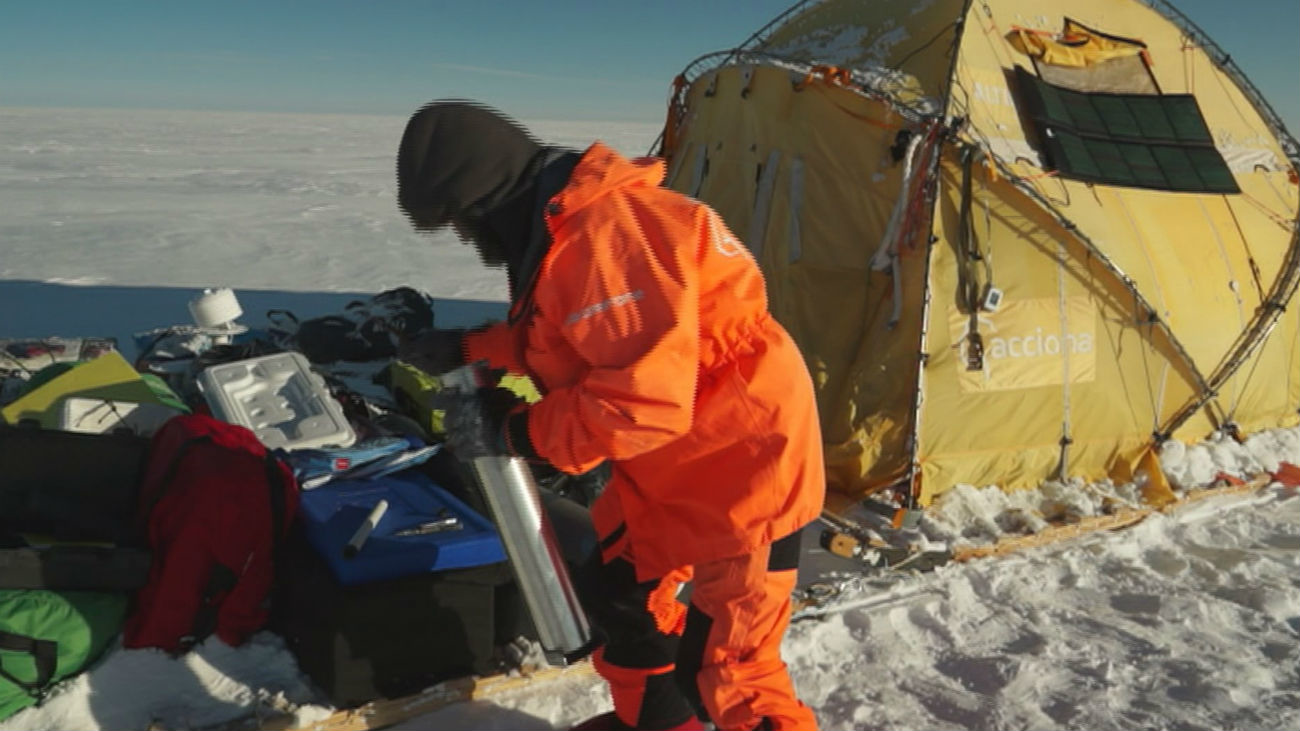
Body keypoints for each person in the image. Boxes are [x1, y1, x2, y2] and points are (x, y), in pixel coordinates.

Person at [395, 100, 824, 731]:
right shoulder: (565, 229)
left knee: (731, 672)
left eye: (461, 220)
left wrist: (516, 432)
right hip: (674, 460)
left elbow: (640, 402)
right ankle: (655, 722)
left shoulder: (607, 240)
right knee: (619, 593)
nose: (464, 236)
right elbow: (575, 335)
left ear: (487, 199)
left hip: (744, 465)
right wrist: (470, 348)